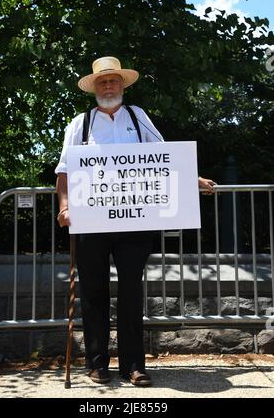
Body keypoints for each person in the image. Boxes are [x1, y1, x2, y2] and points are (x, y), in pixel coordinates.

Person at [55, 56, 215, 386]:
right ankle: (97, 363)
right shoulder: (79, 125)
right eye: (102, 82)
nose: (108, 86)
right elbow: (64, 172)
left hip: (134, 221)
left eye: (113, 81)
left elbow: (163, 155)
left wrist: (192, 178)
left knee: (131, 293)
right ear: (94, 88)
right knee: (93, 293)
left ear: (122, 86)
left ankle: (134, 366)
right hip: (91, 222)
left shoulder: (137, 117)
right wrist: (65, 207)